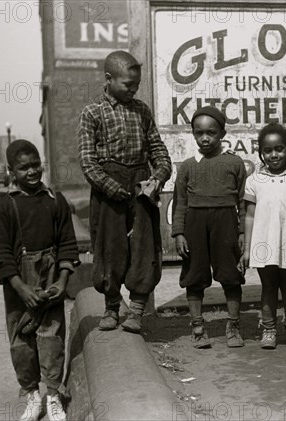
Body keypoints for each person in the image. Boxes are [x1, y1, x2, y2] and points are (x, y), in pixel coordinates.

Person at [77, 50, 172, 334]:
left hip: (142, 188)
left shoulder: (141, 110)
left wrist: (157, 178)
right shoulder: (92, 112)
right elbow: (87, 161)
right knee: (109, 248)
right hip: (108, 192)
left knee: (144, 247)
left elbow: (158, 151)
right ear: (108, 79)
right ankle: (111, 307)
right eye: (127, 84)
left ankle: (138, 311)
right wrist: (109, 186)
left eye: (136, 85)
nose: (132, 90)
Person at [0, 139, 79, 421]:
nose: (31, 172)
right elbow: (0, 252)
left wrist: (63, 281)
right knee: (21, 339)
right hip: (19, 282)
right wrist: (20, 287)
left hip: (51, 276)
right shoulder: (4, 205)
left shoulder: (55, 200)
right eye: (23, 167)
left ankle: (53, 394)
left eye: (35, 165)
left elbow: (67, 243)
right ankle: (31, 395)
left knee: (51, 336)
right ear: (11, 171)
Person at [172, 106, 247, 349]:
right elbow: (180, 203)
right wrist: (179, 232)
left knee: (231, 275)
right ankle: (197, 326)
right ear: (193, 134)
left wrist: (244, 231)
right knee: (194, 276)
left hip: (225, 223)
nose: (205, 138)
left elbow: (242, 202)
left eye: (211, 133)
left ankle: (233, 325)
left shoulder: (234, 163)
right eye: (199, 132)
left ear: (222, 133)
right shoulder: (187, 167)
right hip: (195, 224)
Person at [241, 123, 286, 350]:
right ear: (260, 153)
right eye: (268, 150)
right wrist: (246, 248)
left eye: (279, 149)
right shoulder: (254, 180)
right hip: (264, 244)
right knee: (269, 287)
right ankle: (269, 329)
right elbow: (250, 216)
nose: (274, 155)